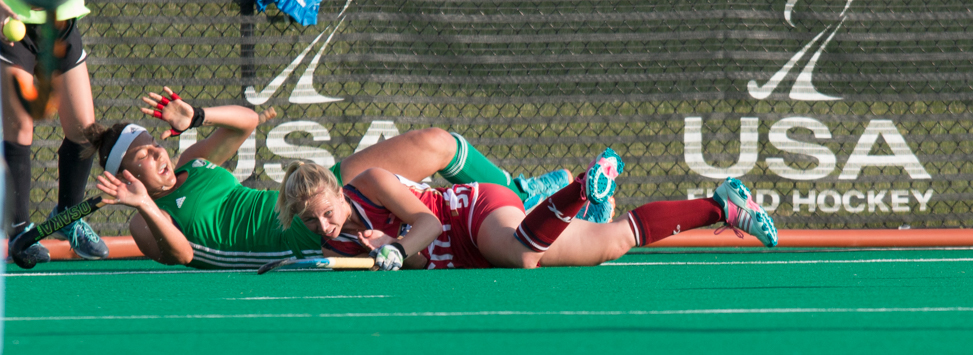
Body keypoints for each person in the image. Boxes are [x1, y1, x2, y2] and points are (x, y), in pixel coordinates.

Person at [88, 87, 574, 269]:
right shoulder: (141, 223)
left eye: (154, 144)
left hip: (309, 197)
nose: (158, 152)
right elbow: (184, 254)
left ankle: (525, 193)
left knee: (435, 143)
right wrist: (146, 206)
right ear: (126, 176)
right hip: (312, 234)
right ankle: (542, 210)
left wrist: (196, 114)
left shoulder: (192, 162)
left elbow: (247, 122)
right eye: (144, 157)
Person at [276, 147, 778, 271]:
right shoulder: (330, 239)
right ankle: (720, 207)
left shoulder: (368, 182)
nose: (324, 225)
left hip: (468, 212)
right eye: (312, 222)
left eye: (326, 211)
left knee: (522, 256)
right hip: (464, 255)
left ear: (337, 191)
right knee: (615, 243)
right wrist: (390, 251)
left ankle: (581, 189)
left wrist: (396, 249)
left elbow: (427, 223)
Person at [1, 0, 105, 262]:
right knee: (21, 127)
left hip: (60, 23)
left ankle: (68, 217)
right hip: (10, 22)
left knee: (84, 130)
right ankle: (18, 230)